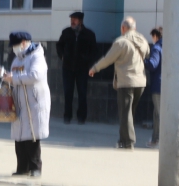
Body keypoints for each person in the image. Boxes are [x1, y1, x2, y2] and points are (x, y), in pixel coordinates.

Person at [89, 16, 150, 149]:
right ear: (135, 28)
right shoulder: (143, 40)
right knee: (129, 112)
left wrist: (95, 68)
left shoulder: (121, 42)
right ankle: (124, 139)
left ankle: (127, 142)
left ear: (123, 28)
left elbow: (108, 59)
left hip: (127, 81)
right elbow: (147, 54)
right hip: (141, 82)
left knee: (125, 112)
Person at [0, 31, 50, 177]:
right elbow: (14, 76)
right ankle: (22, 167)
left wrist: (13, 78)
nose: (14, 49)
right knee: (19, 137)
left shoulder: (37, 56)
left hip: (34, 102)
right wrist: (5, 75)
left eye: (15, 45)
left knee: (32, 136)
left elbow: (36, 75)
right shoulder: (17, 60)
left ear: (23, 43)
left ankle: (35, 168)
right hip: (20, 102)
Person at [55, 11, 97, 124]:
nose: (72, 21)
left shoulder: (89, 34)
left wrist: (87, 60)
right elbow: (59, 45)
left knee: (82, 93)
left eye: (75, 19)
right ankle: (67, 116)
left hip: (82, 69)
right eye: (72, 19)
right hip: (68, 68)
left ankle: (81, 117)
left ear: (81, 21)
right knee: (68, 92)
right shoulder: (66, 32)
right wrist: (62, 56)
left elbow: (94, 51)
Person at [145, 27, 162, 148]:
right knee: (160, 113)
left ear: (156, 36)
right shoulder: (169, 46)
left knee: (158, 114)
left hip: (158, 85)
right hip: (166, 84)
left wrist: (142, 60)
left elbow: (152, 64)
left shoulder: (156, 48)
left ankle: (157, 139)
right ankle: (157, 139)